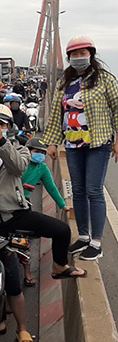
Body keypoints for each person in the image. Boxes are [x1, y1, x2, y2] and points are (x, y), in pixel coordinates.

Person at [0, 104, 86, 342]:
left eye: (2, 125)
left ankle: (25, 323)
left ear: (9, 128)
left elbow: (17, 167)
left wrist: (1, 143)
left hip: (16, 214)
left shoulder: (20, 149)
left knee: (60, 230)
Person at [43, 36, 118, 261]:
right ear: (69, 57)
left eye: (82, 53)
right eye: (74, 54)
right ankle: (83, 236)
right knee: (78, 190)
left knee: (94, 190)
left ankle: (96, 242)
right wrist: (52, 142)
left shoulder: (104, 79)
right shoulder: (63, 82)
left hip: (98, 143)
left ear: (91, 54)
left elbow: (117, 109)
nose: (78, 57)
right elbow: (57, 113)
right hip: (73, 144)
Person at [20, 138, 68, 286]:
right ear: (28, 151)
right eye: (36, 151)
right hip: (7, 202)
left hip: (24, 205)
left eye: (42, 152)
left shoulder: (42, 168)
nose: (39, 155)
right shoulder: (20, 163)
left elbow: (51, 187)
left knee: (23, 242)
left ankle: (27, 273)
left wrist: (63, 205)